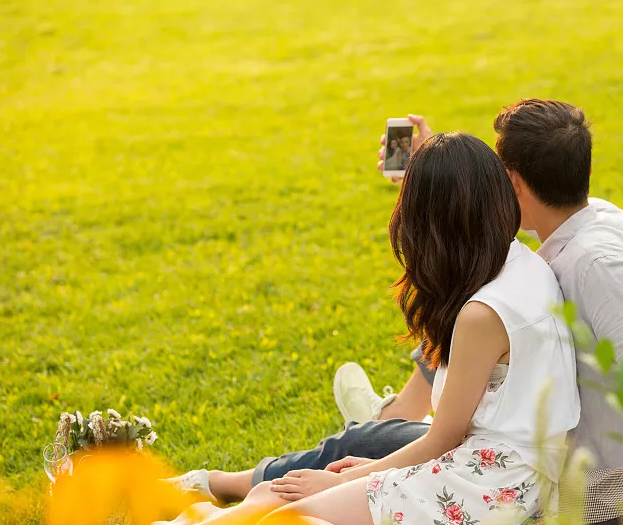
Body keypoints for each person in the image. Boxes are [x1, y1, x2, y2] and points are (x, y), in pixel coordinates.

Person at [170, 102, 623, 522]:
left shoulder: (592, 265)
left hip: (517, 461)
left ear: (512, 184)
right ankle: (335, 438)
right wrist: (430, 167)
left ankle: (352, 432)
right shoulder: (552, 239)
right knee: (350, 450)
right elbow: (475, 240)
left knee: (335, 468)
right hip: (496, 429)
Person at [165, 132, 580, 525]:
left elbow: (443, 439)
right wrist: (370, 475)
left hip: (492, 482)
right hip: (502, 466)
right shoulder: (519, 262)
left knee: (291, 514)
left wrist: (348, 480)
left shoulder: (481, 315)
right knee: (276, 497)